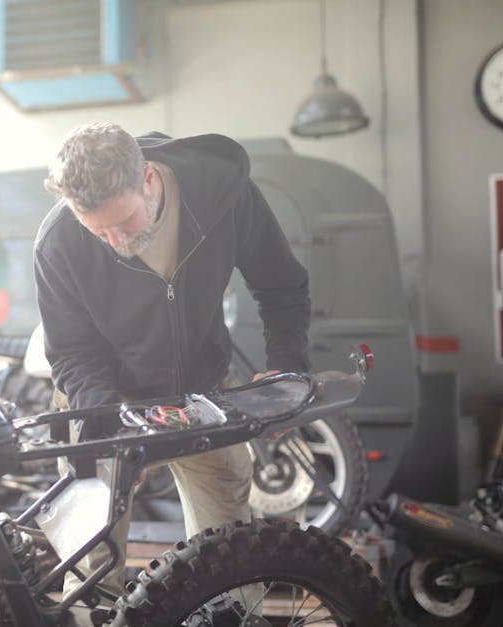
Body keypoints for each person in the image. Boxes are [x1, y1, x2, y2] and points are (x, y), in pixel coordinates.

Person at [32, 122, 311, 600]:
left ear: (148, 178)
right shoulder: (58, 241)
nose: (116, 240)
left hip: (204, 392)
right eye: (98, 230)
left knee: (228, 553)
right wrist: (109, 429)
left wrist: (285, 370)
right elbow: (74, 353)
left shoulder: (223, 194)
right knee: (91, 558)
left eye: (125, 223)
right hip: (101, 400)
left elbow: (281, 286)